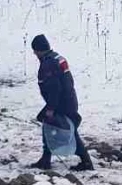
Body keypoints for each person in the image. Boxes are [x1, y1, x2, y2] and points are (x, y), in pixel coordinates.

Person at [31, 34, 94, 171]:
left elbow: (54, 89)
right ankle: (45, 159)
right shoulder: (57, 57)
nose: (34, 53)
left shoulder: (48, 64)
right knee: (49, 125)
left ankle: (87, 163)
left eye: (35, 50)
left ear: (40, 49)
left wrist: (51, 108)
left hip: (61, 104)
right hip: (69, 99)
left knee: (69, 131)